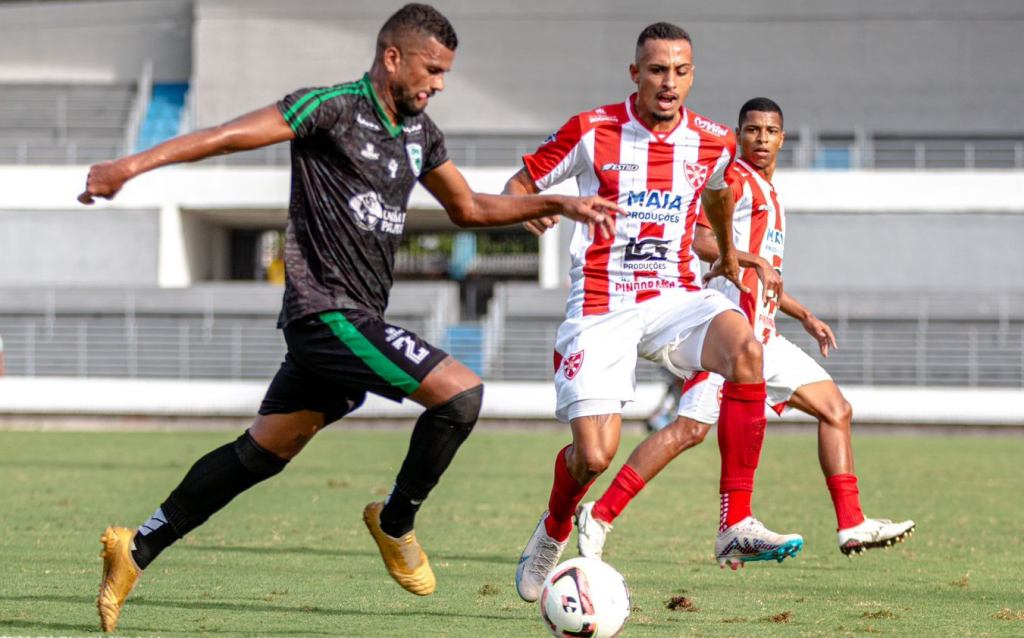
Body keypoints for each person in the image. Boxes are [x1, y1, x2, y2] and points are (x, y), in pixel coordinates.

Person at [78, 4, 618, 632]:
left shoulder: (421, 134)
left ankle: (136, 547)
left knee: (261, 453)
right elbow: (226, 135)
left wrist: (554, 200)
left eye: (445, 74)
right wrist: (128, 166)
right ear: (393, 57)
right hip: (323, 313)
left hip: (354, 320)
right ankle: (395, 522)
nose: (438, 84)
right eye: (432, 69)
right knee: (461, 395)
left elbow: (467, 207)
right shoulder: (329, 108)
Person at [507, 23, 803, 603]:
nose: (670, 83)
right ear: (635, 73)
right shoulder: (592, 131)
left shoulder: (715, 140)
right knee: (593, 456)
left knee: (747, 348)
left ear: (692, 75)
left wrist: (726, 253)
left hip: (676, 295)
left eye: (681, 71)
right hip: (602, 303)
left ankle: (734, 523)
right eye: (658, 70)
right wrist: (530, 208)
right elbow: (523, 179)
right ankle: (554, 526)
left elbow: (718, 193)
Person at [574, 97, 915, 562]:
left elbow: (765, 275)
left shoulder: (772, 194)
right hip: (725, 340)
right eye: (751, 130)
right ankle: (601, 514)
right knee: (689, 430)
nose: (760, 139)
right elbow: (693, 238)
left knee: (836, 409)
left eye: (770, 131)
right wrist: (748, 259)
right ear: (739, 134)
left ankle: (851, 523)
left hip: (765, 335)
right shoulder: (730, 178)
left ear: (782, 137)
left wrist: (803, 314)